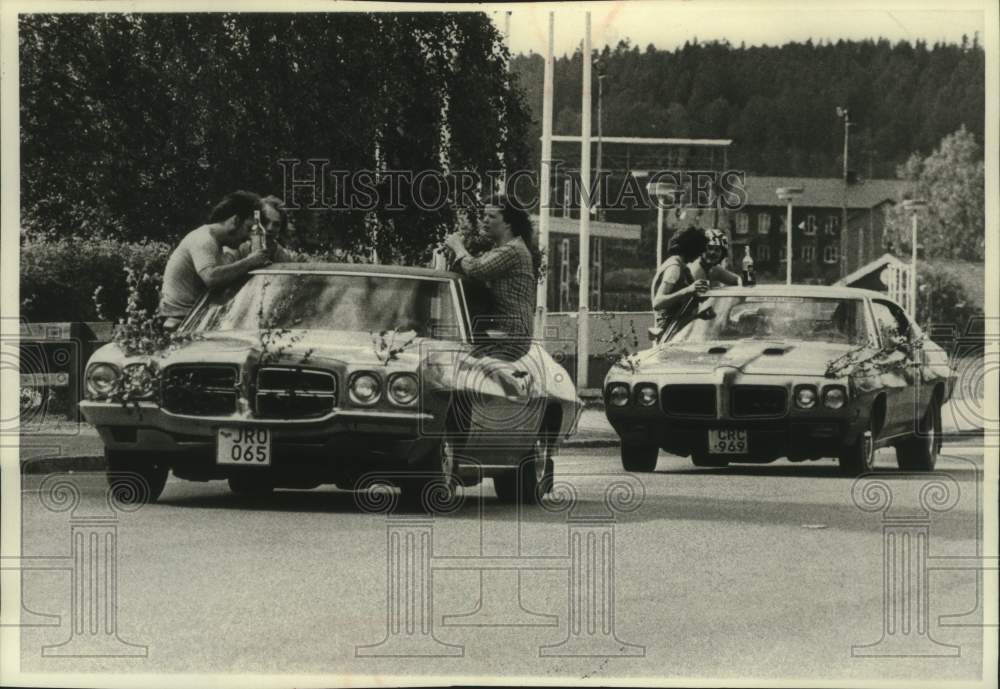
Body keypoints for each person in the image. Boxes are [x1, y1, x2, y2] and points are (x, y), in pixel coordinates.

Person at [158, 191, 271, 331]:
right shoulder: (203, 240)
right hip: (181, 321)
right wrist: (250, 262)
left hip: (193, 318)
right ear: (234, 221)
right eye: (248, 228)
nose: (249, 237)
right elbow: (211, 277)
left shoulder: (216, 243)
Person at [443, 197, 539, 340]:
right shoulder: (502, 249)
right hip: (507, 333)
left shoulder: (513, 250)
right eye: (484, 215)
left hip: (510, 335)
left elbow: (476, 269)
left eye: (492, 216)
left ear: (508, 223)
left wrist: (457, 246)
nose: (485, 220)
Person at [650, 226, 710, 338]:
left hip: (677, 328)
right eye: (698, 251)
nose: (699, 256)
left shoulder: (681, 267)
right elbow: (658, 303)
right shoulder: (674, 268)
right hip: (669, 331)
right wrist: (688, 290)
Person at [228, 195, 297, 263]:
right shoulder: (238, 247)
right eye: (265, 221)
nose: (270, 228)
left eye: (276, 224)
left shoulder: (282, 255)